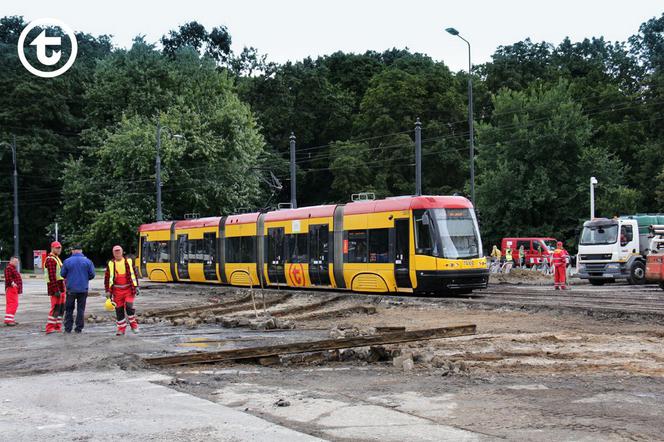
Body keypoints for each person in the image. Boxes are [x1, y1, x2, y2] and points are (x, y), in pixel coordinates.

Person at [104, 245, 140, 335]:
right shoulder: (111, 264)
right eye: (115, 252)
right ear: (113, 253)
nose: (117, 253)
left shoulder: (129, 261)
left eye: (118, 251)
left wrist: (137, 286)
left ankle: (134, 325)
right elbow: (107, 278)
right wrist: (107, 290)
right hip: (117, 291)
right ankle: (121, 329)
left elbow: (134, 274)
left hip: (129, 289)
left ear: (122, 252)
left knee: (129, 306)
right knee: (119, 310)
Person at [60, 245, 95, 333]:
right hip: (83, 289)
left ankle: (68, 328)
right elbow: (92, 275)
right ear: (81, 251)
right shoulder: (88, 261)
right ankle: (78, 328)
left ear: (72, 251)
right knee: (81, 309)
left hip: (71, 289)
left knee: (69, 309)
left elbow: (62, 274)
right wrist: (85, 278)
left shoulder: (67, 261)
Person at [45, 241, 66, 334]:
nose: (59, 249)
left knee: (61, 308)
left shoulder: (56, 258)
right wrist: (55, 290)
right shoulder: (50, 260)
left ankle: (57, 327)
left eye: (59, 248)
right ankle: (50, 328)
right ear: (52, 248)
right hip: (56, 287)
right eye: (57, 248)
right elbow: (52, 276)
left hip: (61, 286)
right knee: (55, 308)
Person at [4, 257, 22, 326]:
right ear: (11, 261)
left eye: (17, 262)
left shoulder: (12, 268)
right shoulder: (9, 268)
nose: (16, 263)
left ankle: (10, 319)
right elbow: (8, 277)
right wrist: (13, 284)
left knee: (12, 304)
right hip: (11, 288)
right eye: (15, 261)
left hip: (13, 289)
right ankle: (9, 320)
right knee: (13, 304)